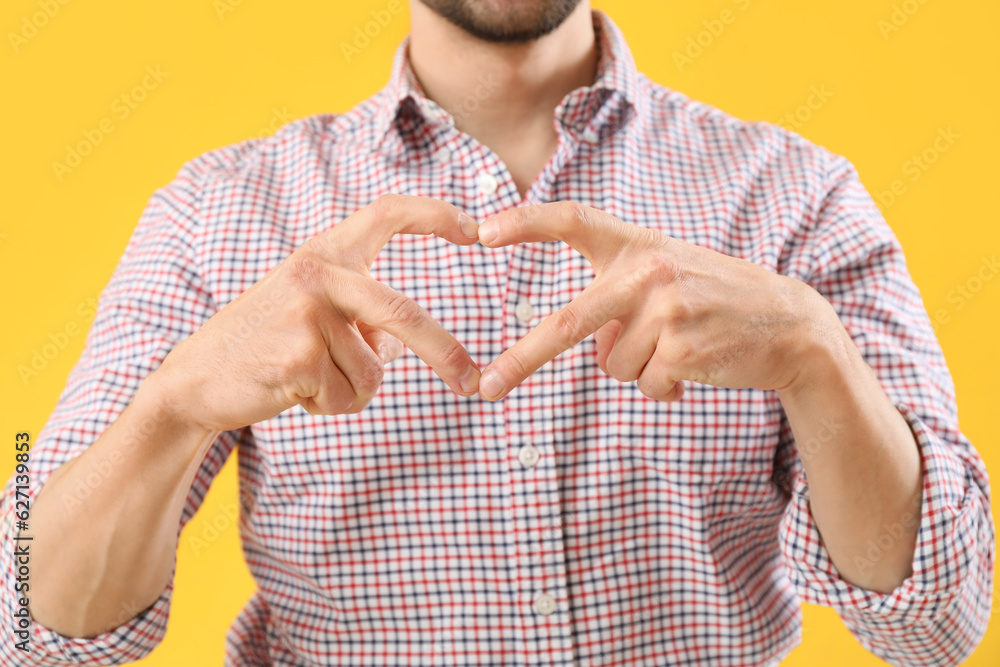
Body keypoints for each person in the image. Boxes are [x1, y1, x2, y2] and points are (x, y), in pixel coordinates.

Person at [1, 1, 993, 665]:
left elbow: (940, 624)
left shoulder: (794, 198)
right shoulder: (219, 215)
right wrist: (174, 403)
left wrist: (810, 353)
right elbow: (27, 625)